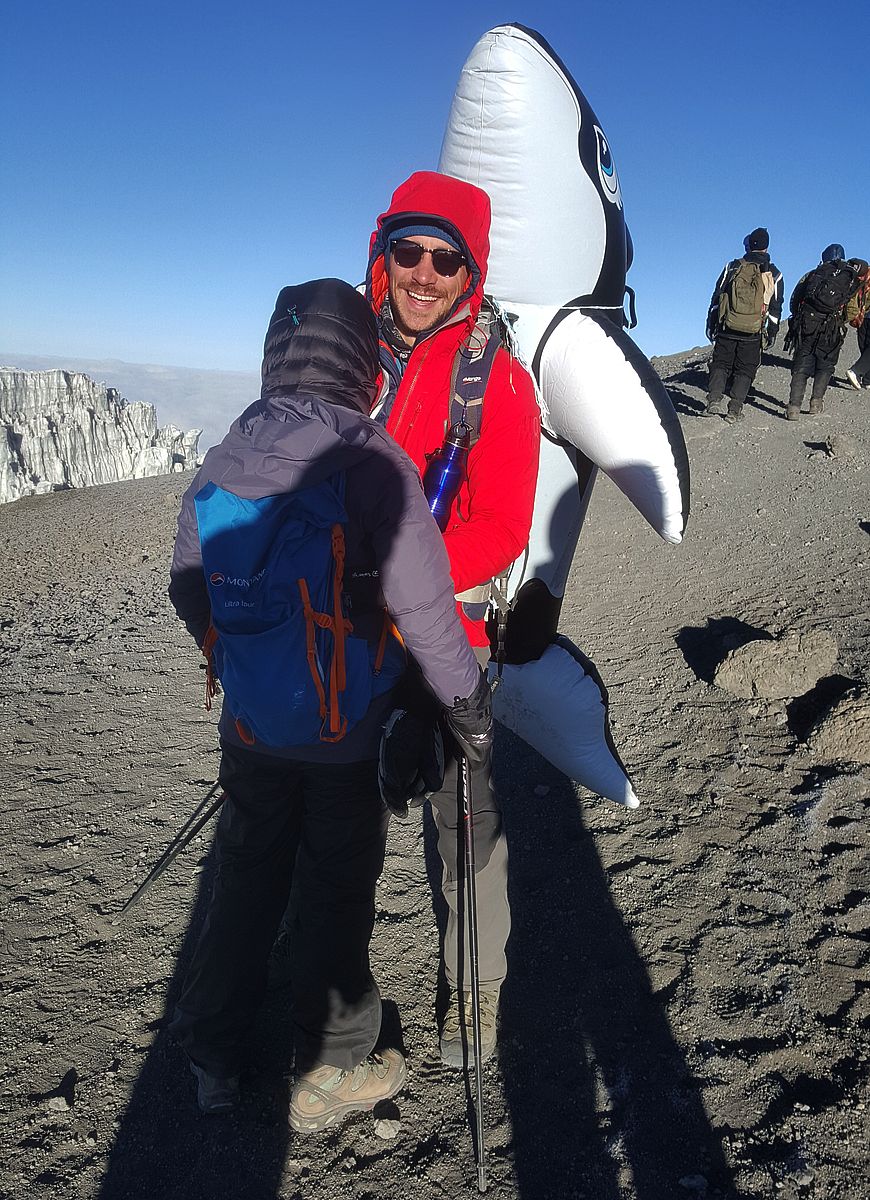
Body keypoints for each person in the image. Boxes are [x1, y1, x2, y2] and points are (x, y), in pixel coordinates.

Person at [167, 278, 492, 1130]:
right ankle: (333, 1064)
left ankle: (211, 1053)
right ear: (361, 366)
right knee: (337, 889)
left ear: (276, 355)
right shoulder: (369, 458)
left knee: (244, 879)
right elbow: (423, 604)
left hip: (252, 726)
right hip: (348, 732)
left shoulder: (229, 449)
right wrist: (466, 702)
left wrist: (235, 657)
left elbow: (188, 579)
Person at [364, 171, 541, 1066]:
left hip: (446, 642)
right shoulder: (352, 361)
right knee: (337, 813)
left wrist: (391, 587)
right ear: (383, 253)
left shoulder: (498, 382)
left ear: (469, 271)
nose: (423, 273)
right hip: (347, 640)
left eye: (445, 257)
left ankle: (475, 988)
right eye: (409, 251)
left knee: (463, 815)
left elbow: (503, 527)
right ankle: (333, 998)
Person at [704, 227, 784, 423]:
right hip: (753, 332)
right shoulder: (774, 274)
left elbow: (717, 297)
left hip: (727, 327)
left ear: (749, 245)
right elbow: (775, 307)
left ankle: (714, 400)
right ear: (766, 247)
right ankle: (734, 409)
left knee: (721, 363)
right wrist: (772, 332)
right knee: (745, 369)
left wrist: (711, 323)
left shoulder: (732, 267)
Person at [785, 246, 860, 418]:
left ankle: (794, 407)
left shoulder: (813, 274)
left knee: (801, 365)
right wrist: (840, 320)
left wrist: (798, 317)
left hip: (807, 324)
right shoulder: (849, 278)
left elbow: (795, 298)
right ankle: (816, 403)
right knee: (826, 365)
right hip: (832, 328)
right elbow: (853, 309)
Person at [843, 259, 870, 390]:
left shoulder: (865, 274)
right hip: (866, 315)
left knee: (865, 348)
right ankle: (857, 371)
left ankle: (866, 379)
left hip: (861, 316)